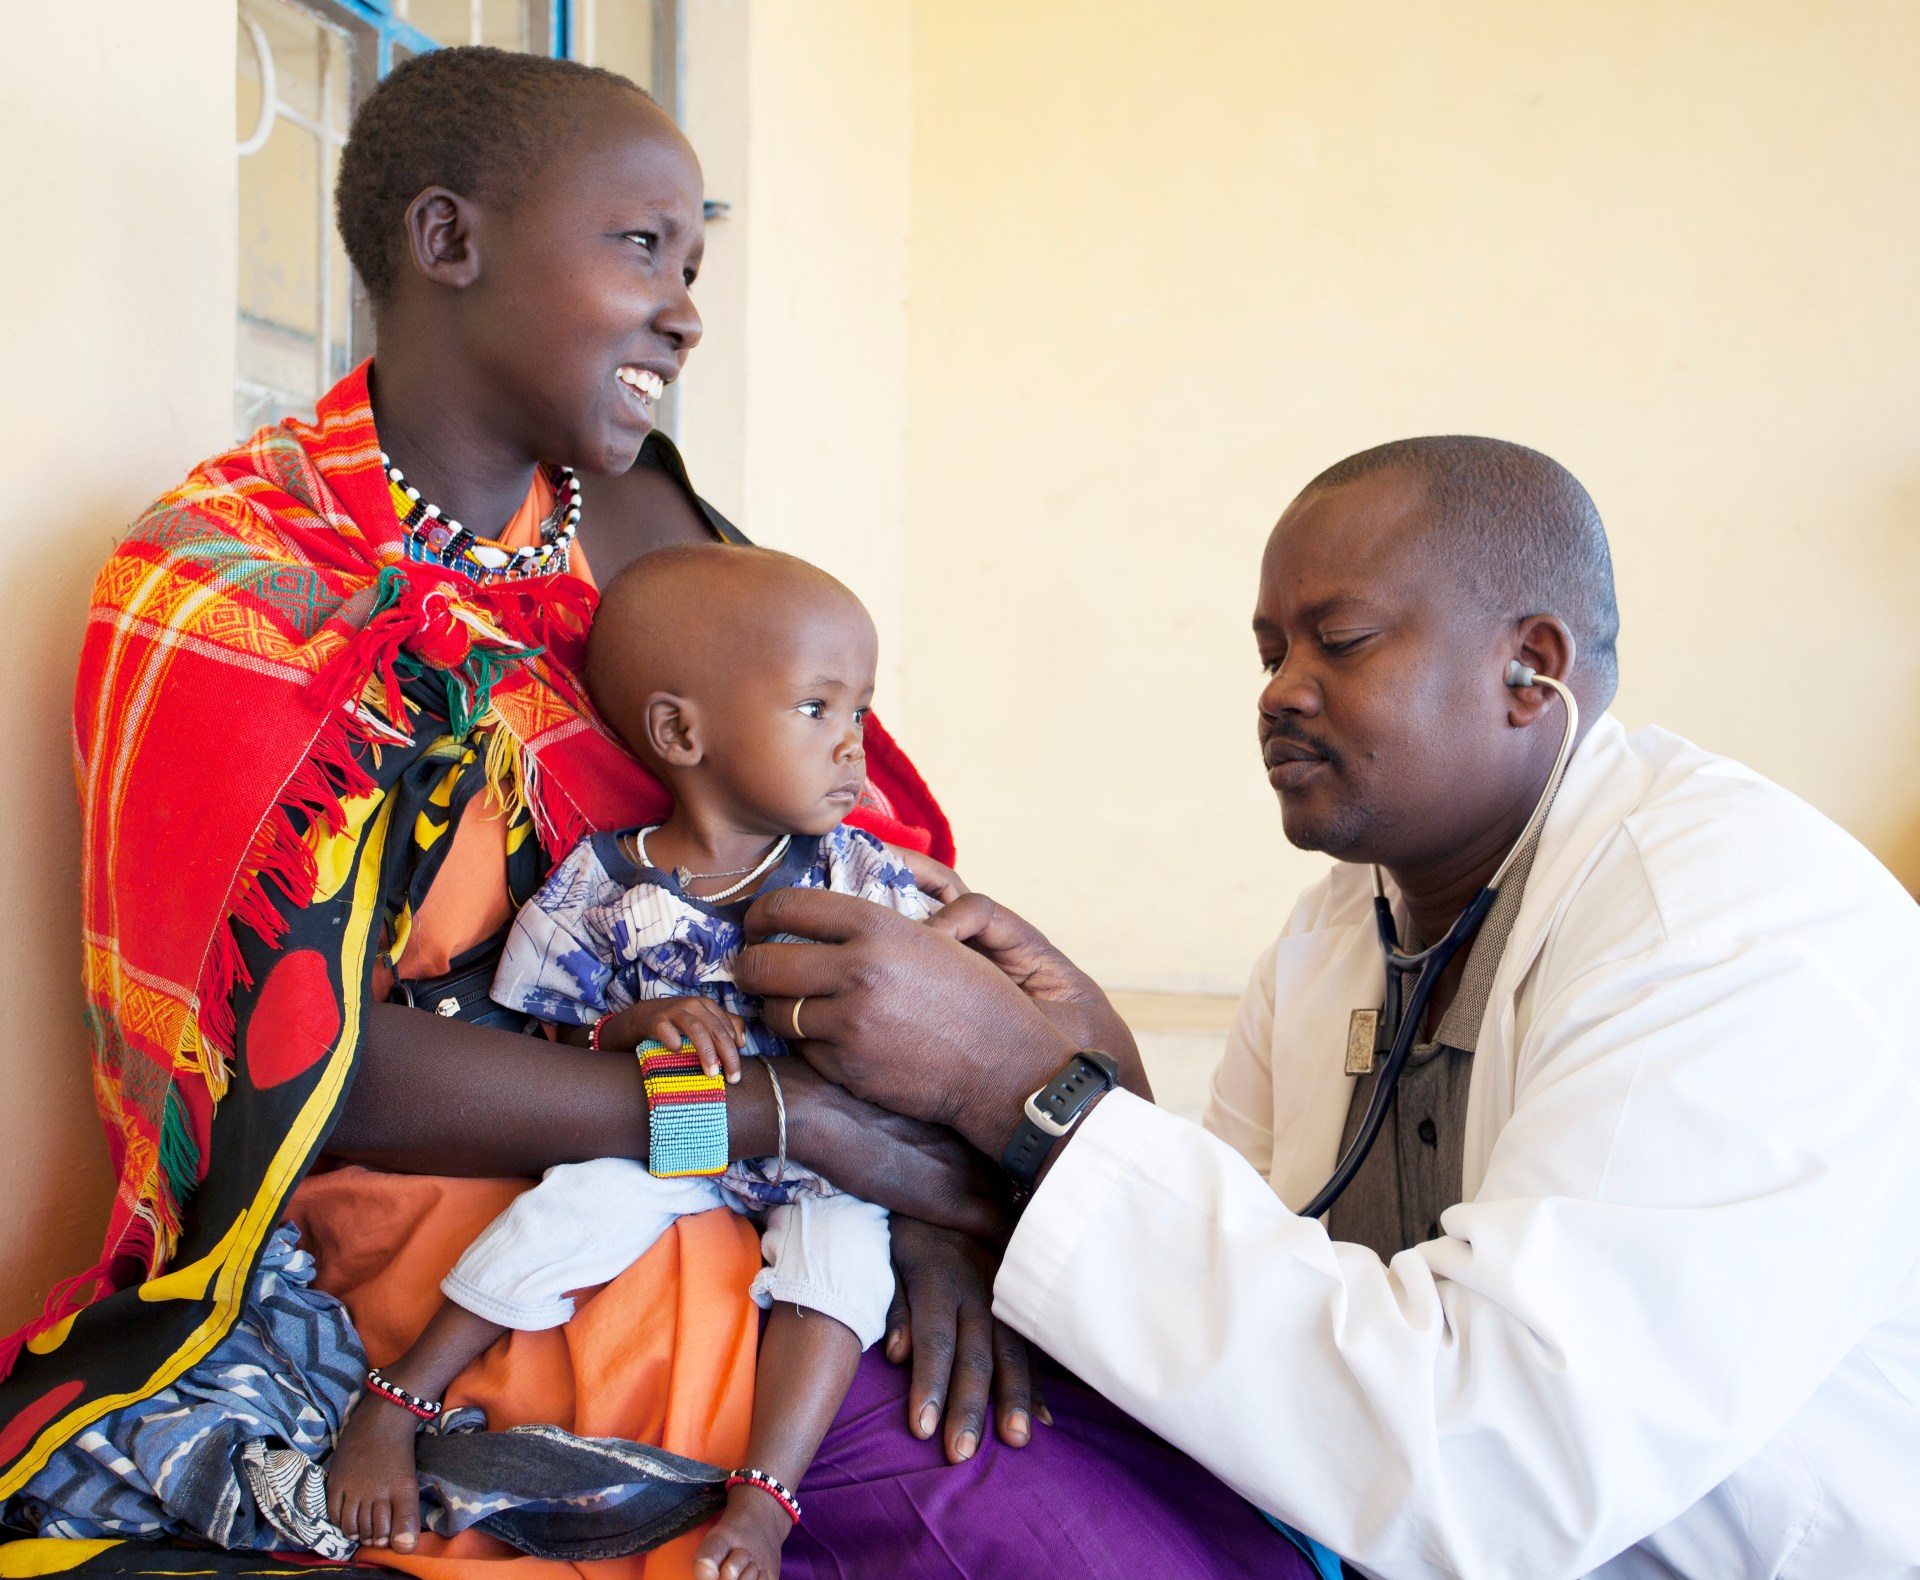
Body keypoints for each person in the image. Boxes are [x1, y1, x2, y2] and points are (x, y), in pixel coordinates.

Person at [1, 42, 1310, 1580]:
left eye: (697, 260)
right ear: (448, 241)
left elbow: (848, 849)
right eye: (642, 247)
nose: (687, 309)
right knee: (1081, 1546)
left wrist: (943, 1195)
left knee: (1238, 1476)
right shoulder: (236, 579)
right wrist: (772, 1125)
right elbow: (299, 1070)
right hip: (490, 1244)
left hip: (806, 1194)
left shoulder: (650, 533)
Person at [735, 437, 1920, 1578]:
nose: (1280, 692)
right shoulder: (1333, 930)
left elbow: (1493, 1467)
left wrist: (1033, 1097)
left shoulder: (1729, 922)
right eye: (1269, 651)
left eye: (1339, 641)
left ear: (1531, 668)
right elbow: (1268, 1316)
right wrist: (1099, 1095)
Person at [326, 545, 972, 1580]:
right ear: (680, 731)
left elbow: (940, 1026)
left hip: (831, 1159)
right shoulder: (603, 883)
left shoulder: (863, 874)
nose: (854, 744)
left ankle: (763, 1503)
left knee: (843, 1271)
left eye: (861, 709)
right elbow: (545, 1034)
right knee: (576, 1207)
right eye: (818, 708)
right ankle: (395, 1397)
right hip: (677, 1134)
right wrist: (635, 1027)